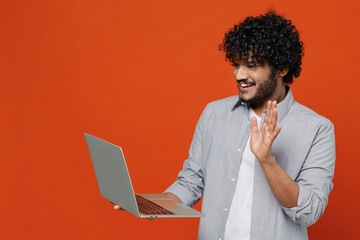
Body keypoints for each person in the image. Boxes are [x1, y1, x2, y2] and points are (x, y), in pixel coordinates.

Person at [115, 10, 336, 240]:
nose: (239, 74)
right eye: (236, 64)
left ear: (282, 68)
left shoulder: (317, 129)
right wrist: (151, 207)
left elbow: (309, 212)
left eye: (251, 65)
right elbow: (191, 182)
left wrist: (267, 160)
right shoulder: (214, 114)